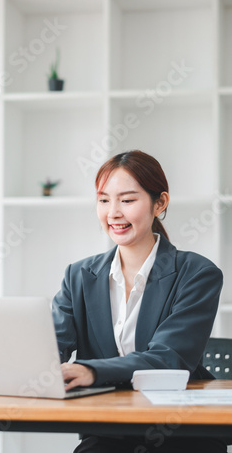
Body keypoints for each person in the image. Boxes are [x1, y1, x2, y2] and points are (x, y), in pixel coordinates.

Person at [52, 150, 226, 453]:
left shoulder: (197, 273)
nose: (113, 213)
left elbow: (168, 359)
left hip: (180, 431)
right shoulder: (78, 275)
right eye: (104, 200)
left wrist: (91, 371)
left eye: (127, 200)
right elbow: (50, 346)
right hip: (109, 429)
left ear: (159, 203)